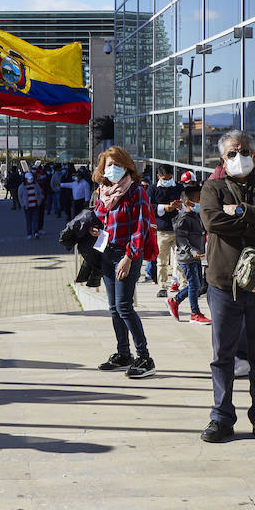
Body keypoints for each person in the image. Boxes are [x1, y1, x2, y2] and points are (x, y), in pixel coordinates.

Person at [198, 131, 255, 445]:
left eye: (246, 151)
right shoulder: (213, 187)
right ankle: (221, 419)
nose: (240, 157)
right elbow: (212, 222)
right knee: (222, 355)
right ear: (223, 159)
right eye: (233, 153)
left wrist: (239, 212)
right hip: (224, 284)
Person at [91, 147, 156, 379]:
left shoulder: (136, 191)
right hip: (107, 251)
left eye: (117, 164)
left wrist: (129, 257)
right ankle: (123, 354)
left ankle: (145, 357)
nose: (112, 168)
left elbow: (141, 227)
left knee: (124, 306)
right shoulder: (105, 191)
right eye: (108, 164)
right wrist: (93, 228)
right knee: (113, 307)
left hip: (127, 254)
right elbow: (100, 217)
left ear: (127, 166)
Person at [167, 183, 207, 324]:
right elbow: (181, 239)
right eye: (198, 199)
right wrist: (192, 250)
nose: (201, 201)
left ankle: (174, 301)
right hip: (187, 257)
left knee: (197, 284)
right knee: (194, 284)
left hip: (195, 256)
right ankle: (194, 313)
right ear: (188, 202)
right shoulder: (184, 219)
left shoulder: (195, 216)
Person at [150, 165, 182, 298]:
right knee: (161, 261)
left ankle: (182, 284)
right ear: (159, 177)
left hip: (178, 228)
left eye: (170, 178)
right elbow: (148, 205)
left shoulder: (179, 187)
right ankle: (162, 285)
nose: (167, 180)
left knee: (180, 259)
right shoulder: (153, 188)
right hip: (162, 230)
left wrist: (180, 206)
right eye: (165, 178)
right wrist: (164, 208)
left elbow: (188, 201)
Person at [19, 172, 43, 239]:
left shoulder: (36, 185)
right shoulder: (22, 187)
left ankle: (36, 232)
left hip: (35, 205)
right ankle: (29, 233)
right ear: (26, 179)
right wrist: (23, 204)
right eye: (29, 179)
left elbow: (40, 193)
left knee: (35, 219)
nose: (31, 180)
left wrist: (39, 201)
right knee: (28, 220)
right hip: (27, 207)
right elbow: (20, 196)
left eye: (31, 179)